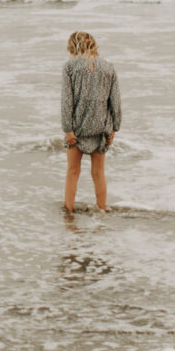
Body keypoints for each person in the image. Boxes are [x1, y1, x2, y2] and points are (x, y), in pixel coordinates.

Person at [59, 30, 120, 216]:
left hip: (78, 127)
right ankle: (102, 209)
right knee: (98, 173)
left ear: (73, 46)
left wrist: (67, 129)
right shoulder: (108, 67)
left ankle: (68, 211)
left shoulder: (70, 67)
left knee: (73, 171)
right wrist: (114, 128)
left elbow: (67, 101)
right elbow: (115, 101)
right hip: (101, 127)